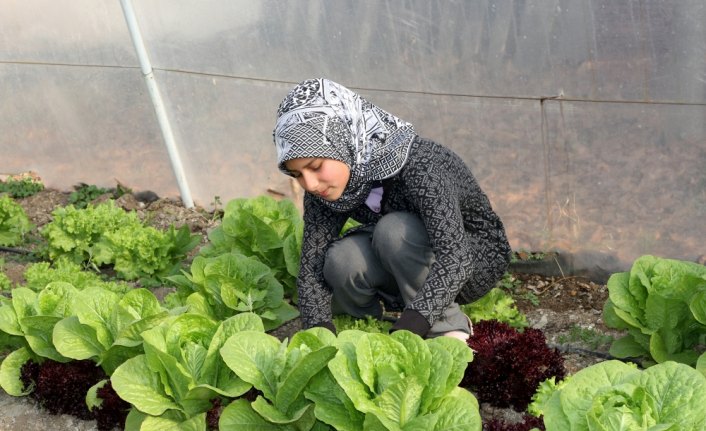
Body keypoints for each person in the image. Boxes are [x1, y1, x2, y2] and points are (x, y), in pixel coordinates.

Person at [273, 78, 511, 340]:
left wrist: (412, 327)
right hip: (403, 262)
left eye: (316, 166)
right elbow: (311, 266)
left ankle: (448, 329)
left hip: (471, 260)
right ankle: (365, 325)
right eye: (297, 174)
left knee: (393, 231)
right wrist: (317, 336)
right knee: (342, 258)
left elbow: (456, 257)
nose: (310, 183)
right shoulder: (325, 188)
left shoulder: (421, 165)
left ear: (344, 140)